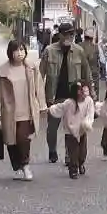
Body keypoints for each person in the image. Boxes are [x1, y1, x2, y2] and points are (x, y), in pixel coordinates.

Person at [0, 39, 46, 180]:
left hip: (27, 111)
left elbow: (39, 87)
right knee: (11, 141)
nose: (19, 53)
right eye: (16, 50)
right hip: (9, 112)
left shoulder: (31, 68)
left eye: (22, 50)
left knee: (23, 138)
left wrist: (42, 105)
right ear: (10, 52)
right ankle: (17, 167)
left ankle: (25, 165)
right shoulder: (2, 71)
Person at [42, 24, 87, 165]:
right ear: (60, 35)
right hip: (54, 96)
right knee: (52, 128)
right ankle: (52, 150)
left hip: (73, 97)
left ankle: (69, 154)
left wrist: (91, 93)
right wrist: (38, 96)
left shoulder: (79, 51)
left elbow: (86, 74)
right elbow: (40, 75)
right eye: (66, 34)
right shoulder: (49, 51)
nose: (69, 37)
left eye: (71, 35)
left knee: (71, 128)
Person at [60, 83, 96, 178]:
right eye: (80, 90)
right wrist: (50, 109)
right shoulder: (69, 103)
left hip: (82, 129)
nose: (83, 93)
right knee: (73, 151)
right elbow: (64, 114)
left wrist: (87, 123)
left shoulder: (88, 101)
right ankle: (73, 169)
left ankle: (81, 163)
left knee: (82, 151)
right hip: (70, 131)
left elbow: (90, 114)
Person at [81, 31, 106, 99]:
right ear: (92, 38)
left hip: (81, 74)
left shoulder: (78, 47)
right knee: (94, 93)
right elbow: (102, 61)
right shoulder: (96, 47)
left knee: (82, 93)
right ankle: (94, 104)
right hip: (94, 74)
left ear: (84, 37)